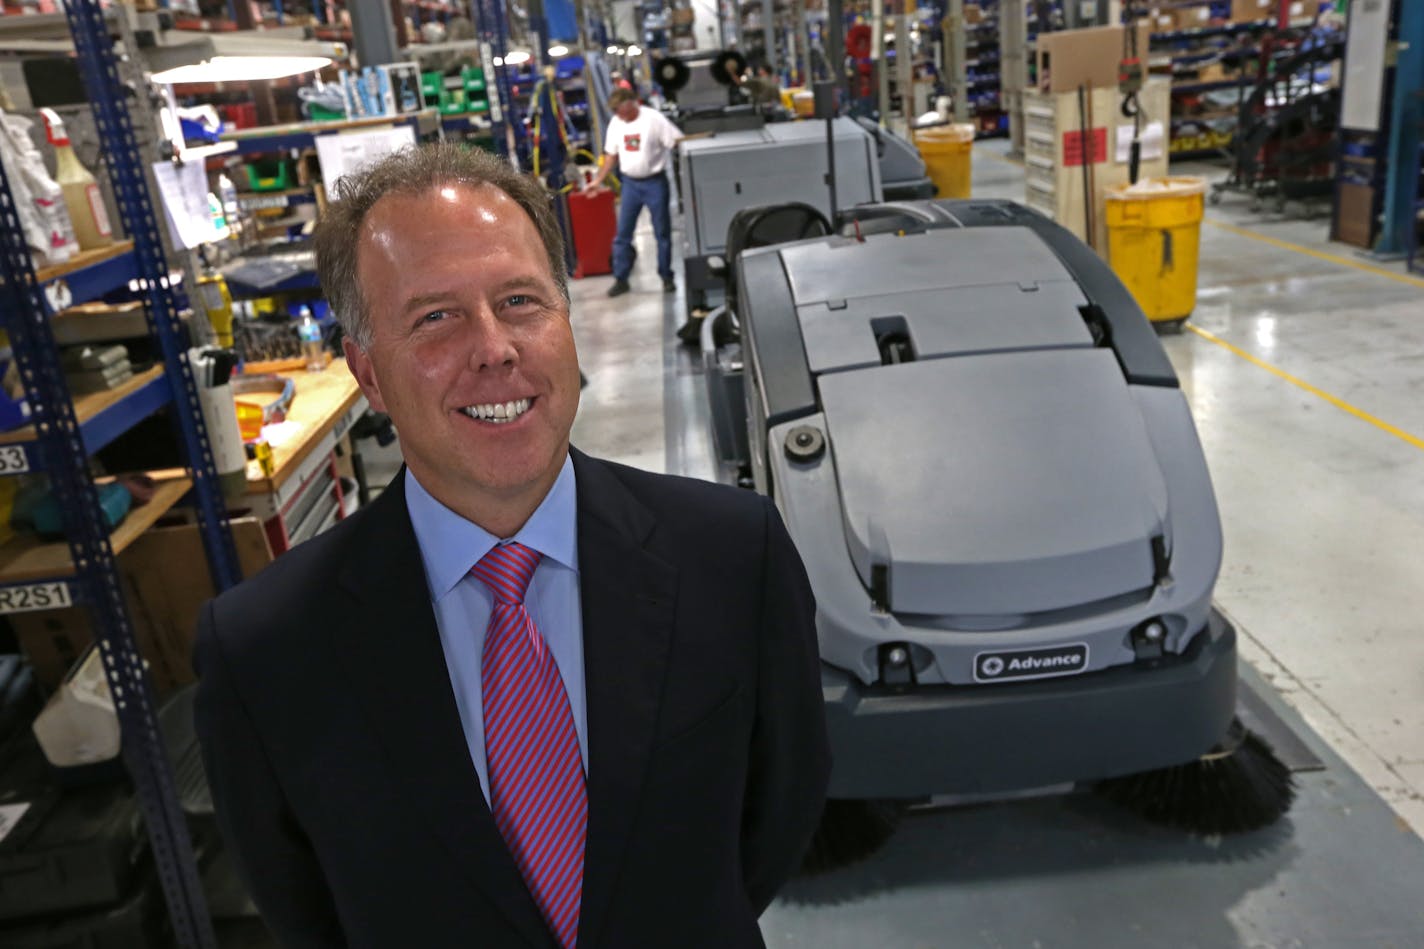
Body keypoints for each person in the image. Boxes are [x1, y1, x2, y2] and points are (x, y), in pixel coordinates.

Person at [192, 143, 831, 949]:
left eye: (521, 300)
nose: (494, 346)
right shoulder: (266, 652)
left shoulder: (736, 558)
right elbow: (306, 911)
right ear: (370, 375)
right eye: (435, 317)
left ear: (567, 323)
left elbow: (778, 813)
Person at [585, 88, 681, 297]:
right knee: (622, 235)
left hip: (655, 183)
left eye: (624, 112)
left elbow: (676, 143)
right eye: (618, 113)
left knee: (662, 233)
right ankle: (621, 279)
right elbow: (611, 155)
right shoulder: (616, 123)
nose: (621, 117)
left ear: (634, 103)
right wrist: (598, 181)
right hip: (630, 184)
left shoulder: (654, 119)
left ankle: (666, 277)